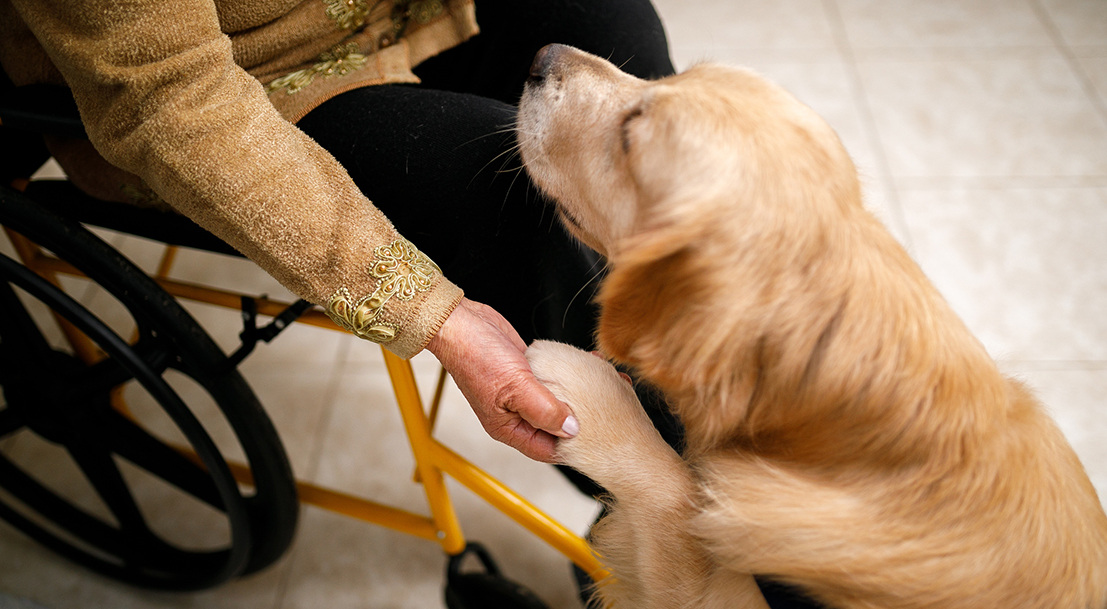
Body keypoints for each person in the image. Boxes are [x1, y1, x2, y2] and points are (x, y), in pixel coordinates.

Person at [1, 2, 826, 606]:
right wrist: (433, 312)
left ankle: (759, 484)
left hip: (406, 10)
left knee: (613, 35)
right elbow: (169, 101)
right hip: (240, 88)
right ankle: (710, 541)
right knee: (507, 202)